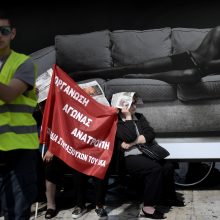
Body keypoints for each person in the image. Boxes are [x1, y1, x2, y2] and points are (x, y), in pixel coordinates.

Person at [114, 93, 184, 219]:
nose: (134, 106)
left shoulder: (139, 117)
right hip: (128, 157)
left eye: (134, 103)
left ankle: (168, 198)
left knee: (168, 166)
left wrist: (135, 142)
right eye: (130, 104)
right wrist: (128, 116)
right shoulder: (116, 121)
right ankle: (147, 208)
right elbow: (128, 136)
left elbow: (151, 134)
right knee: (154, 169)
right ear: (121, 106)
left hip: (145, 151)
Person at [74, 26, 220, 84]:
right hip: (188, 58)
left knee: (189, 75)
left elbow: (207, 65)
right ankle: (82, 74)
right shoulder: (218, 30)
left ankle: (144, 77)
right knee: (135, 67)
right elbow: (207, 62)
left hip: (197, 71)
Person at [0, 10, 40, 219]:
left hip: (19, 150)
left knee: (16, 212)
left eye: (3, 31)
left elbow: (8, 95)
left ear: (12, 33)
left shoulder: (23, 63)